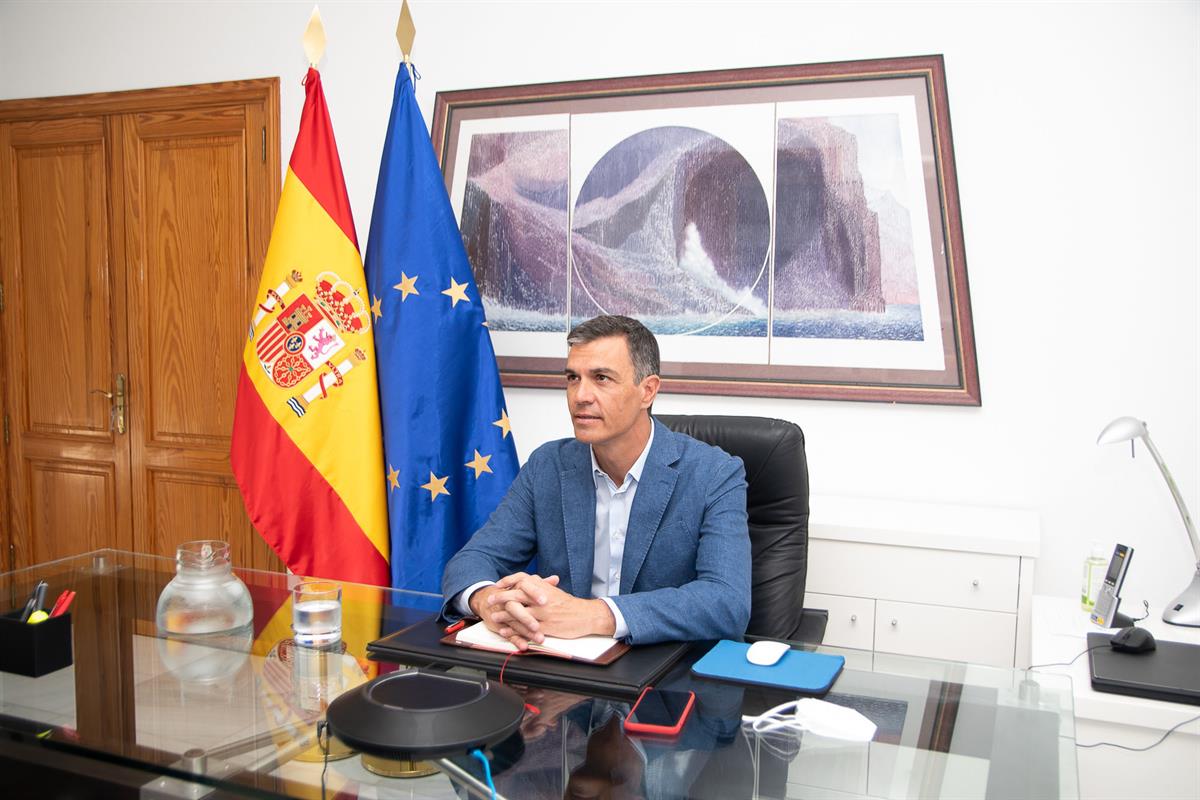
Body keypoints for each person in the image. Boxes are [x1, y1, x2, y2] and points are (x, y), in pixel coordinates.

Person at [441, 315, 750, 647]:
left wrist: (595, 615)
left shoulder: (714, 474)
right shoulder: (548, 466)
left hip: (662, 678)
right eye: (573, 378)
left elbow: (727, 602)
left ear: (648, 391)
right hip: (563, 673)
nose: (580, 396)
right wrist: (485, 599)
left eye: (601, 378)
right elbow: (473, 560)